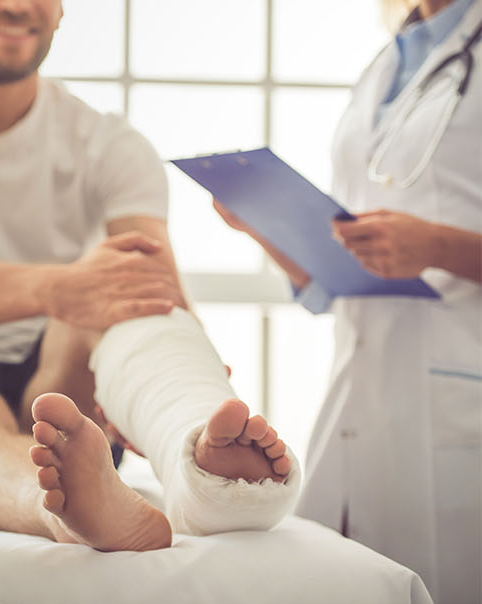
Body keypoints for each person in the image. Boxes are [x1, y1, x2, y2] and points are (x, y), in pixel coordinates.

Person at [0, 0, 299, 553]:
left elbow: (148, 283)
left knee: (125, 304)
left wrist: (179, 352)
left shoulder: (109, 143)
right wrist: (64, 287)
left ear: (60, 11)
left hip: (55, 379)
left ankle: (198, 459)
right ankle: (66, 510)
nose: (16, 5)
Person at [215, 0, 481, 600]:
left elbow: (419, 240)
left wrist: (435, 245)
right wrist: (264, 226)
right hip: (359, 389)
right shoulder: (388, 61)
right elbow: (342, 274)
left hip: (462, 388)